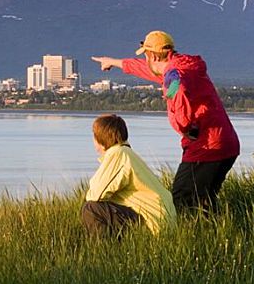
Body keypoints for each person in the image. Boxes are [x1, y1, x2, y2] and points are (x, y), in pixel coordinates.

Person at [91, 31, 240, 212]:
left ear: (153, 55)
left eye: (146, 54)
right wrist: (114, 62)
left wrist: (186, 128)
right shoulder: (184, 66)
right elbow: (147, 69)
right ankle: (214, 235)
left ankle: (188, 237)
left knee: (181, 201)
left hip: (207, 145)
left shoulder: (173, 77)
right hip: (226, 143)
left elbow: (177, 95)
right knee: (204, 200)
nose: (145, 59)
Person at [82, 114, 176, 237]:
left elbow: (95, 195)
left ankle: (106, 251)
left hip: (151, 223)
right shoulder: (127, 154)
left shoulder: (119, 154)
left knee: (90, 209)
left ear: (100, 139)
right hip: (158, 219)